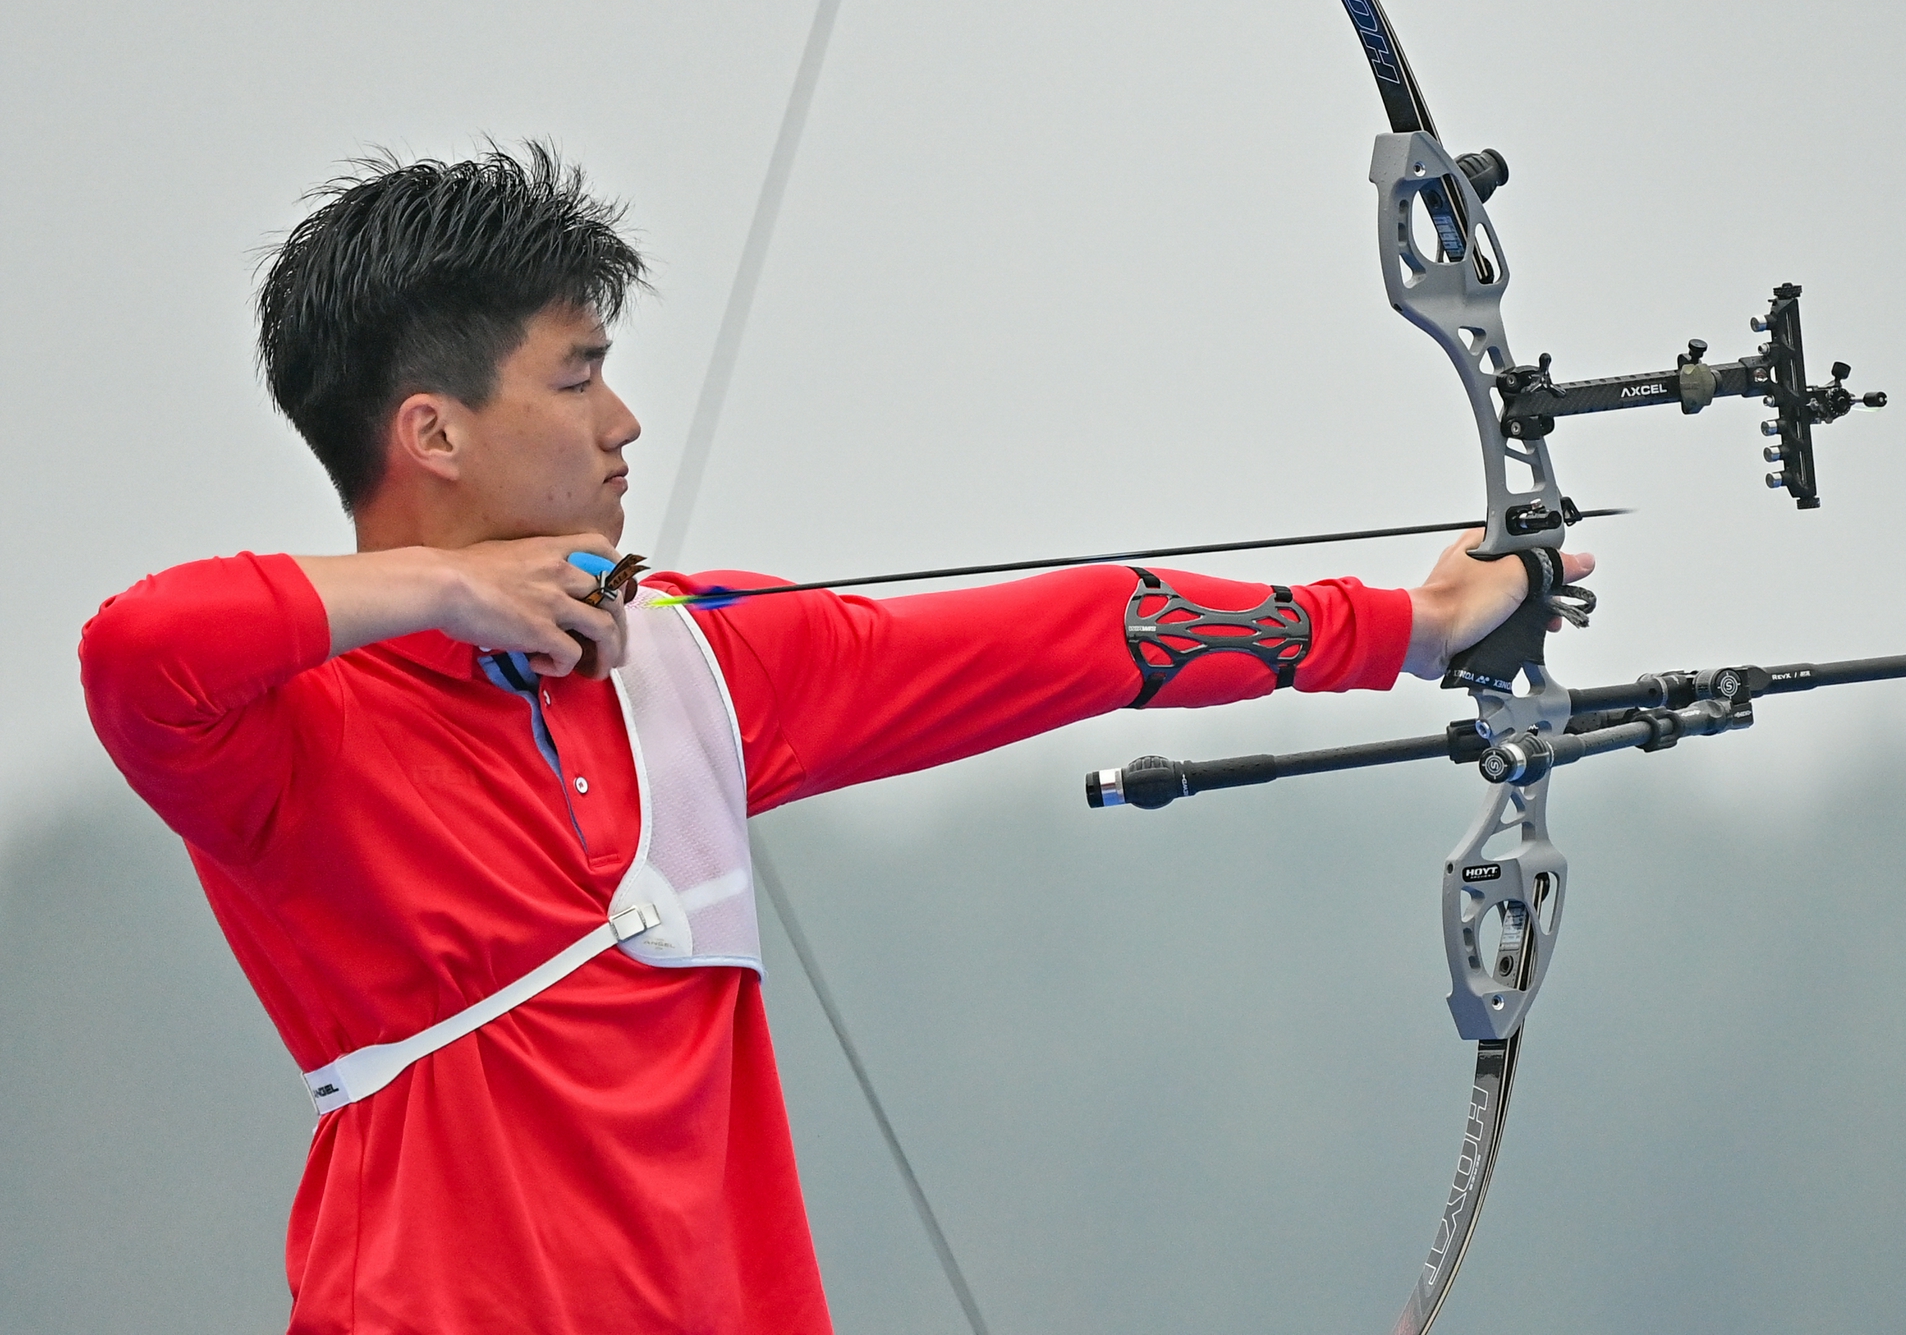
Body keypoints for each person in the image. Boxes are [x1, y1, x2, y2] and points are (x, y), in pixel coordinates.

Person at [78, 145, 1591, 1334]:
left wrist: (1399, 625)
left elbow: (1072, 636)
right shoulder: (289, 739)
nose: (623, 425)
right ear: (433, 434)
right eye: (575, 374)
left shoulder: (692, 665)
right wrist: (446, 588)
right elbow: (136, 644)